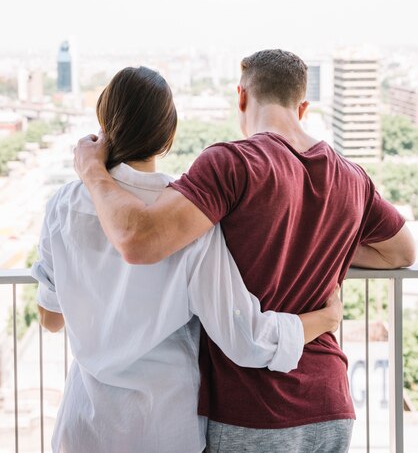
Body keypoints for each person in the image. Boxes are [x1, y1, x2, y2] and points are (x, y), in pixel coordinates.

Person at [74, 50, 416, 453]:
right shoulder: (353, 177)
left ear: (241, 98)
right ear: (302, 107)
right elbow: (402, 252)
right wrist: (326, 240)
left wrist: (91, 170)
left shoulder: (233, 163)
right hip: (330, 403)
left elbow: (138, 239)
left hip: (251, 411)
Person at [32, 65, 342, 453]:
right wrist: (324, 319)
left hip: (83, 428)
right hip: (164, 429)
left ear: (104, 123)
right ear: (168, 135)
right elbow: (245, 339)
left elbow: (50, 317)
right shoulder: (186, 220)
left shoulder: (62, 206)